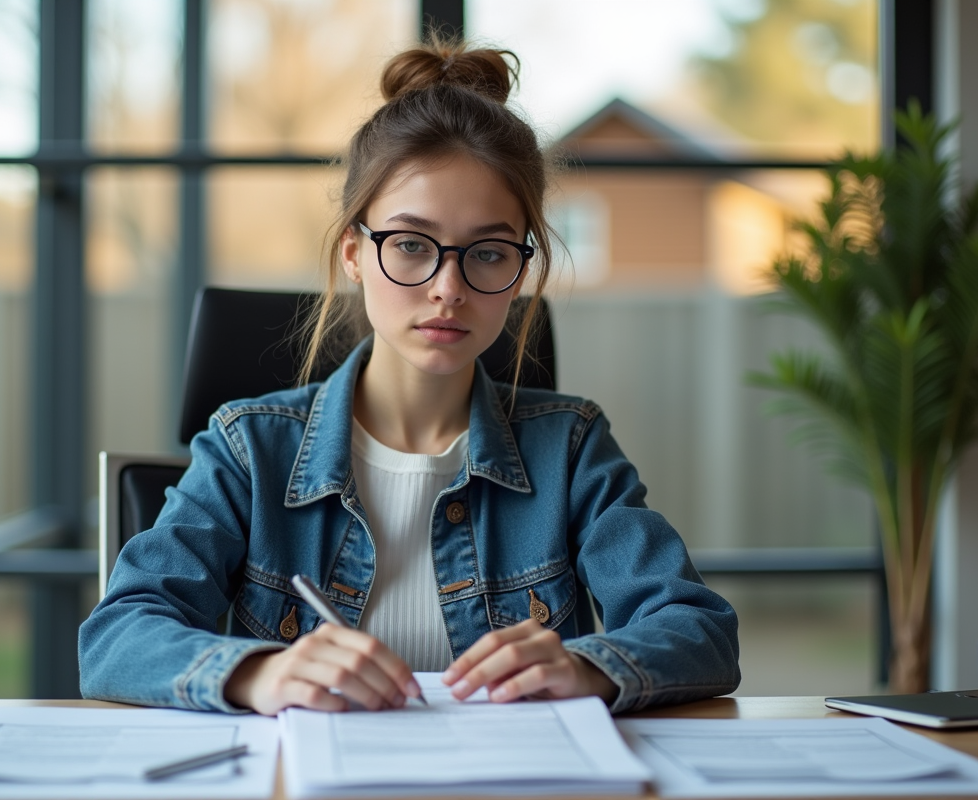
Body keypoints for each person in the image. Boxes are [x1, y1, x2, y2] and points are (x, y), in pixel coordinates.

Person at [78, 38, 740, 716]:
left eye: (488, 253)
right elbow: (116, 636)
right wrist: (258, 675)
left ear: (522, 268)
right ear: (355, 253)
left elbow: (702, 631)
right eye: (412, 245)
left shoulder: (571, 448)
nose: (448, 289)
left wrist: (586, 666)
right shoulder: (249, 448)